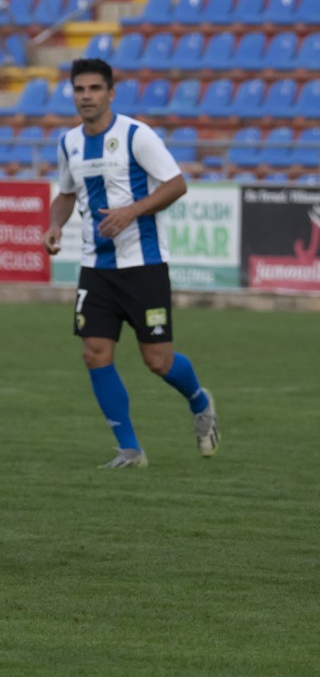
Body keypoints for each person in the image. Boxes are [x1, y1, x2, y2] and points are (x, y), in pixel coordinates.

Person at [42, 58, 220, 468]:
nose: (86, 96)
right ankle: (129, 449)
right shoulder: (68, 142)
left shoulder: (137, 135)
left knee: (157, 360)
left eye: (94, 89)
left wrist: (132, 211)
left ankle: (199, 401)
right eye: (80, 89)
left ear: (110, 93)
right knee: (94, 352)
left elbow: (176, 183)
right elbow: (66, 193)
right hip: (95, 267)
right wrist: (54, 224)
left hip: (144, 264)